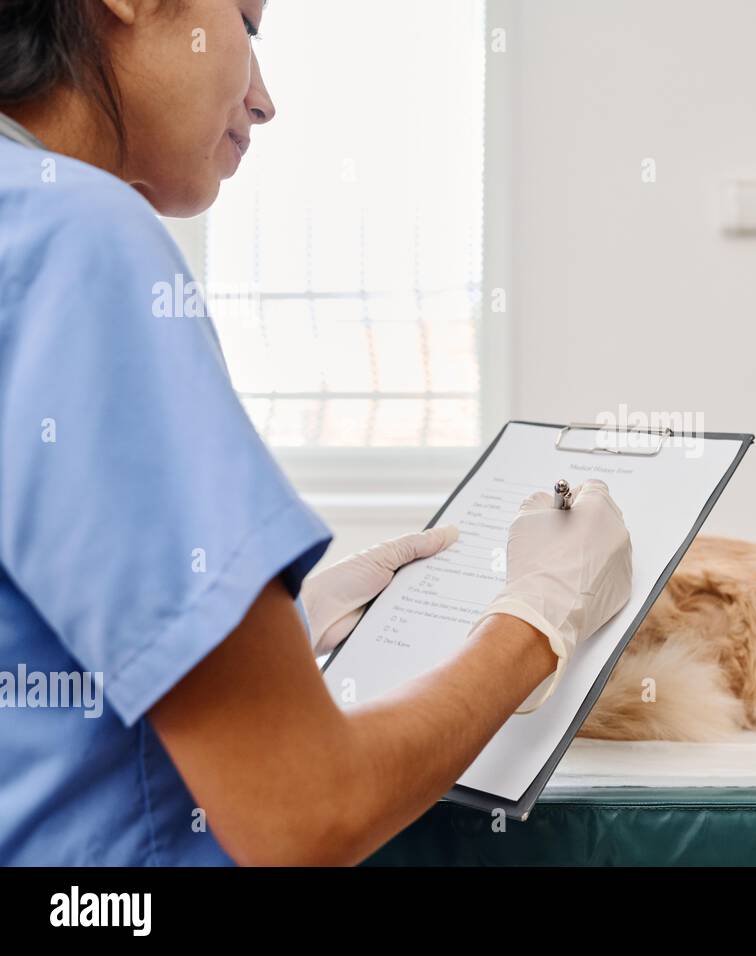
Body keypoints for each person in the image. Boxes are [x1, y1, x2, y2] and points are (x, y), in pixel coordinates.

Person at [0, 0, 633, 865]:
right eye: (248, 26)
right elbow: (303, 812)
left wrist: (283, 629)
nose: (264, 101)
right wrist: (538, 618)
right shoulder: (80, 242)